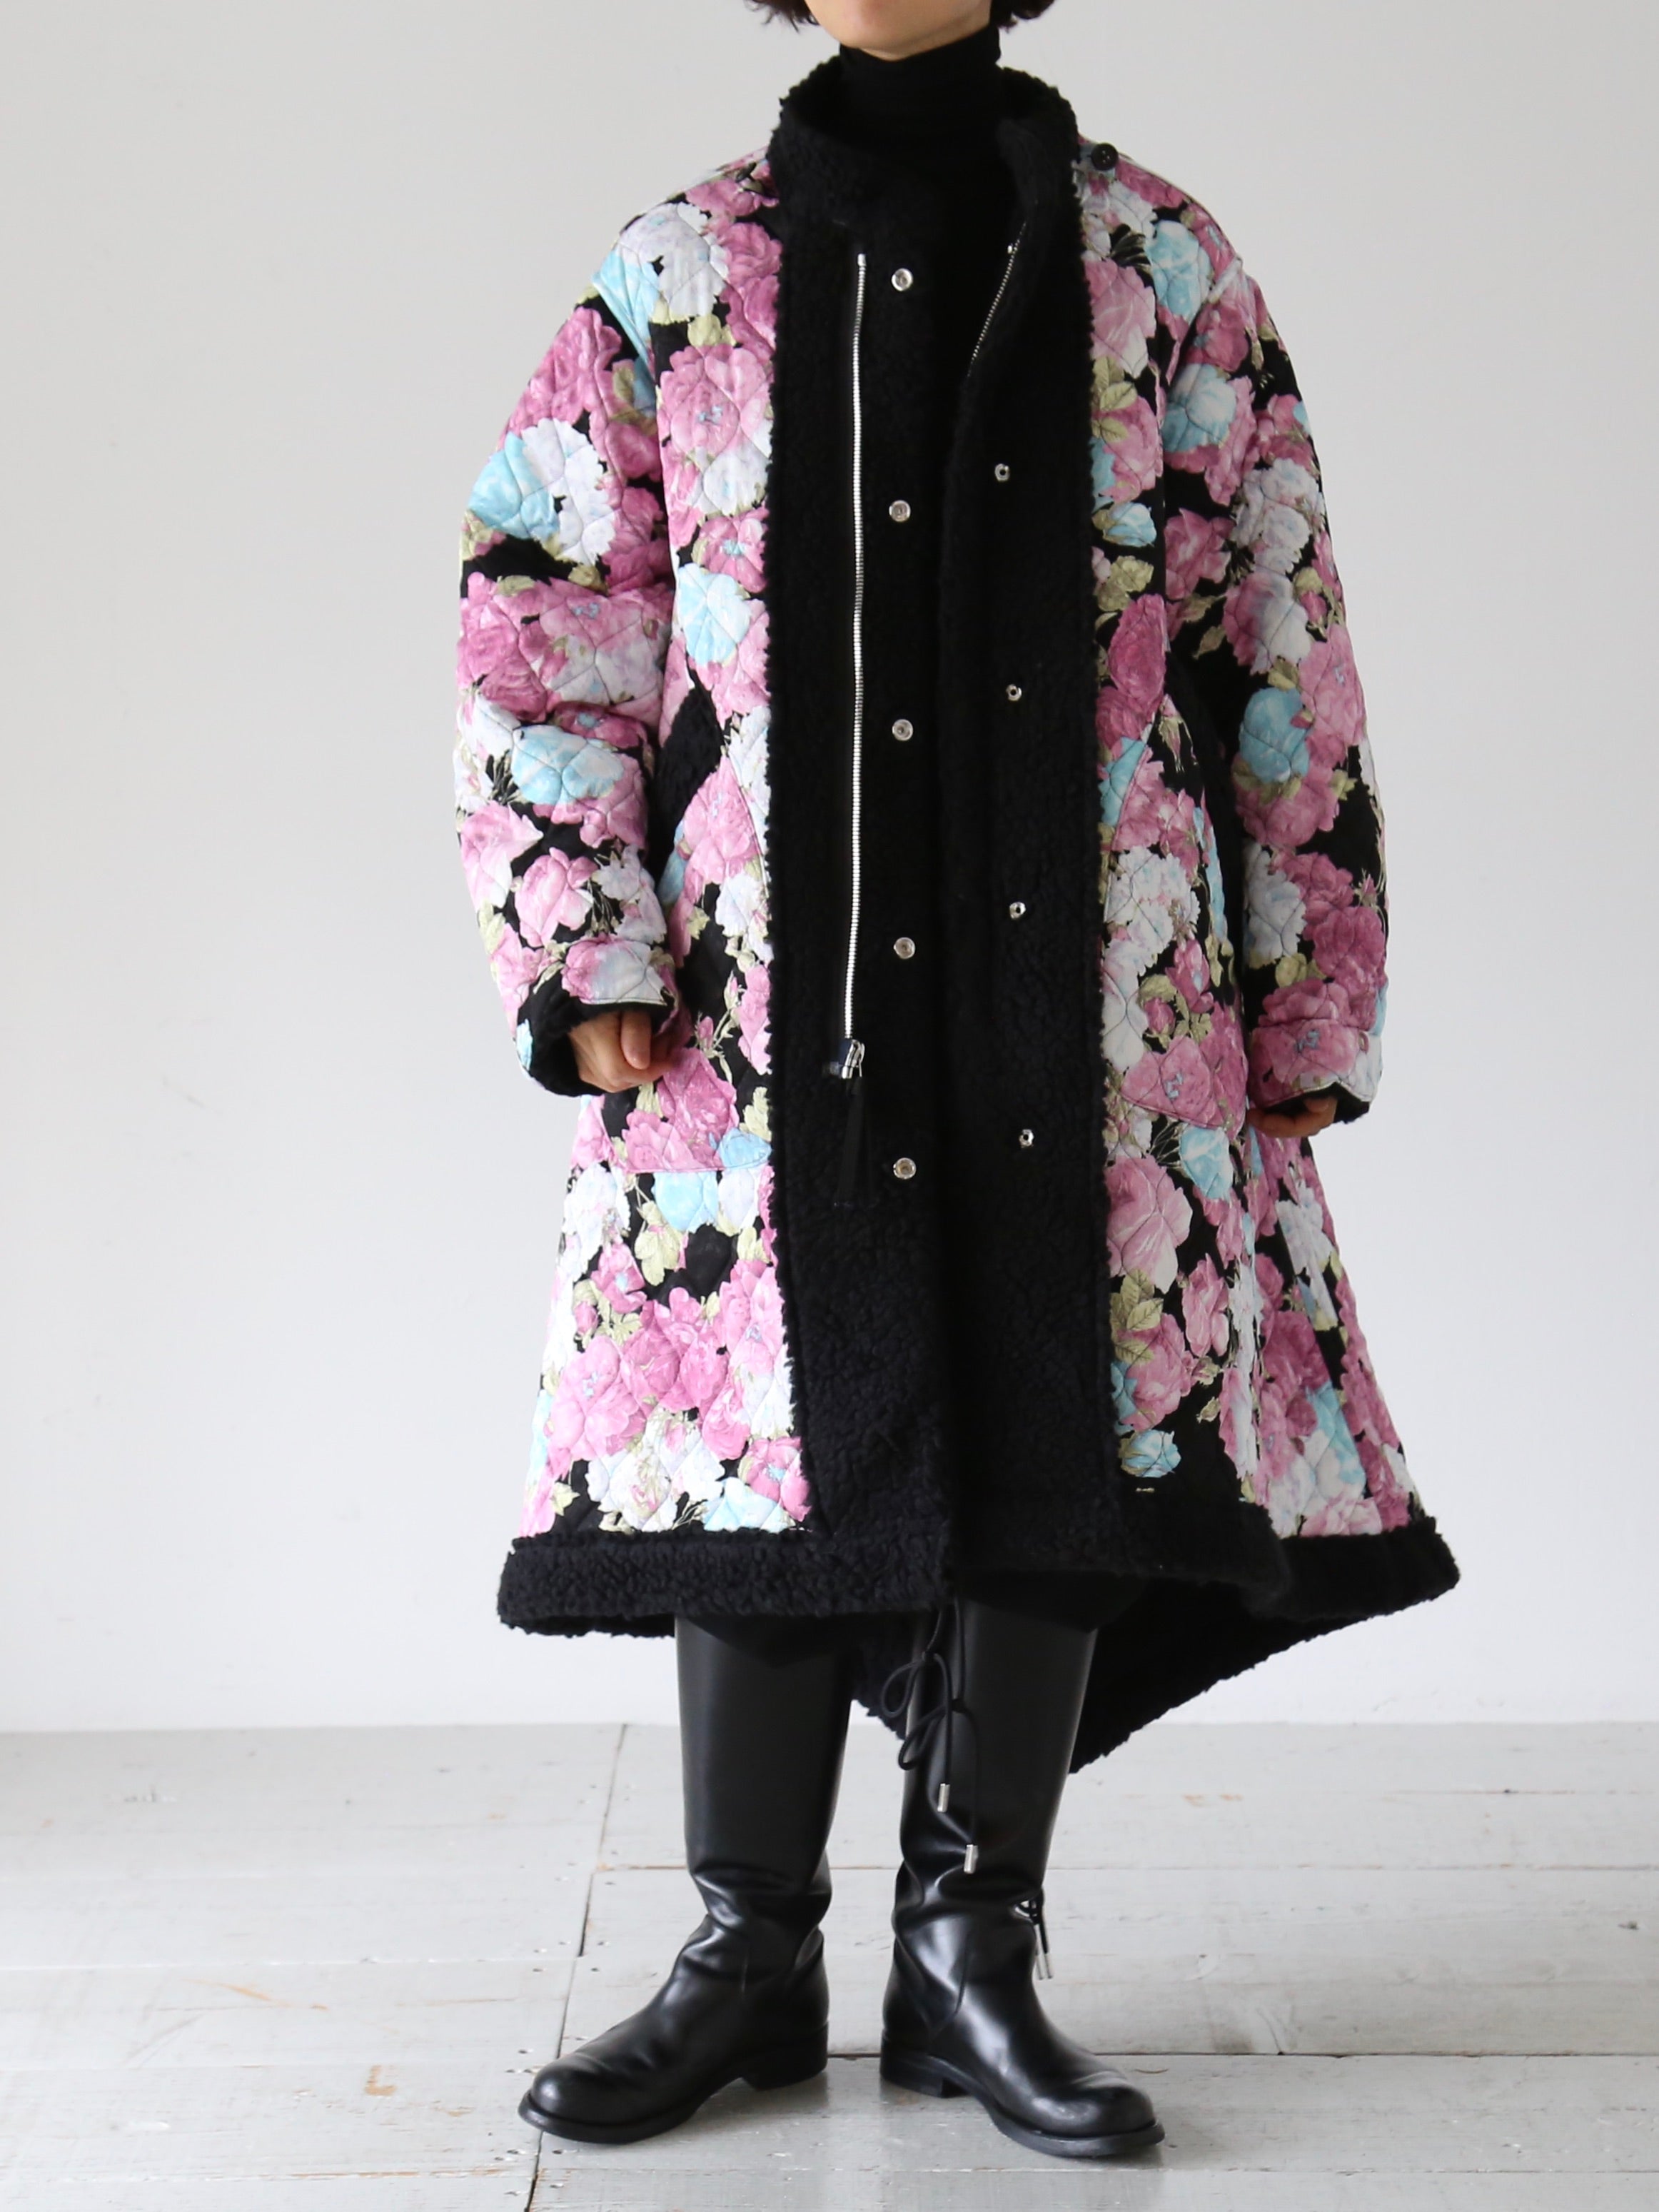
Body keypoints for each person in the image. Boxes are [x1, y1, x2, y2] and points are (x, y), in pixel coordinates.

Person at [453, 0, 1460, 2163]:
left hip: (1090, 994)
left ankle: (967, 1949)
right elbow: (550, 612)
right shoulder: (676, 274)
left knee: (1055, 1399)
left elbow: (1274, 628)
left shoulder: (1158, 264)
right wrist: (581, 942)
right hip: (756, 1006)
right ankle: (745, 1951)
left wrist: (1305, 986)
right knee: (764, 1423)